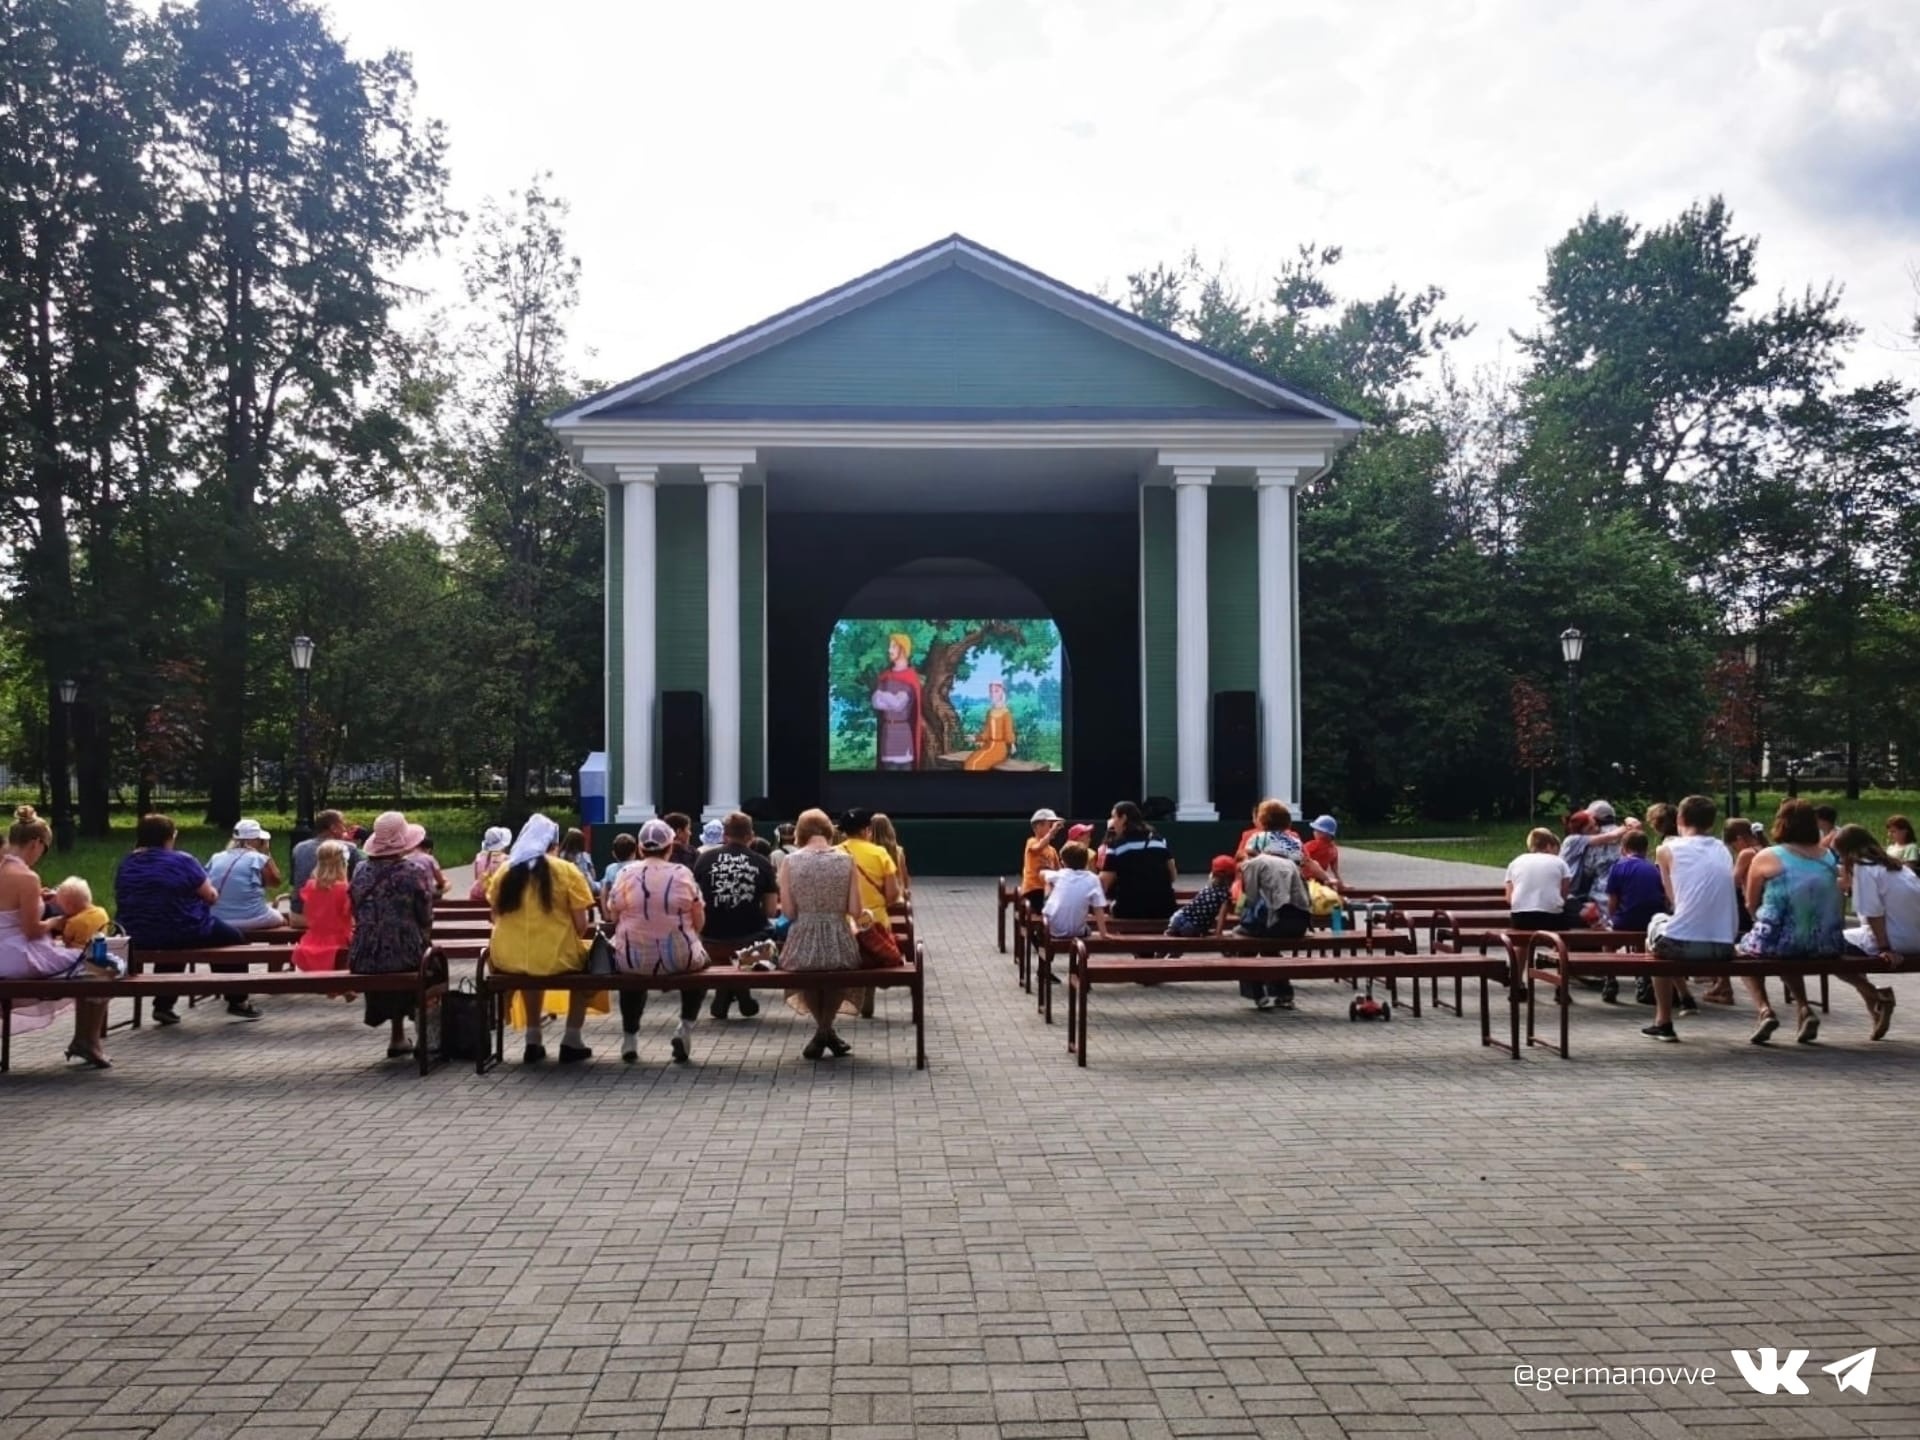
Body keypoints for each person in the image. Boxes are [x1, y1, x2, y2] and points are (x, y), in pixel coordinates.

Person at [115, 811, 257, 1023]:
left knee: (172, 943)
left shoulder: (127, 863)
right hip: (181, 928)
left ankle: (164, 1005)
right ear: (170, 836)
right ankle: (237, 999)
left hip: (137, 932)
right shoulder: (182, 861)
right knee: (232, 938)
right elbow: (210, 896)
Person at [0, 808, 112, 1067]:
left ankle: (85, 1041)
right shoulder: (26, 877)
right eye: (45, 848)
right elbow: (31, 930)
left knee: (87, 964)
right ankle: (87, 1040)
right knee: (103, 966)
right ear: (36, 843)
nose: (42, 854)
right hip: (18, 955)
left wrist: (38, 898)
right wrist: (54, 921)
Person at [488, 813, 600, 1064]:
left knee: (530, 974)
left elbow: (494, 916)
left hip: (507, 956)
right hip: (555, 956)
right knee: (588, 967)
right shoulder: (566, 870)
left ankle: (533, 1038)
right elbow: (581, 925)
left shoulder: (505, 870)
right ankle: (572, 1039)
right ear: (553, 845)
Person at [1735, 799, 1843, 1046]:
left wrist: (1758, 920)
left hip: (1786, 941)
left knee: (1746, 952)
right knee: (1786, 950)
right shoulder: (1827, 856)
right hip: (1826, 942)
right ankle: (1804, 1009)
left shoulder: (1768, 855)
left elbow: (1750, 903)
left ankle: (1764, 1010)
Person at [606, 819, 708, 1064]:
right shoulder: (683, 874)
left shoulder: (625, 874)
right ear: (670, 848)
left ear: (640, 848)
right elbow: (699, 921)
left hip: (632, 958)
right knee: (702, 966)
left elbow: (612, 913)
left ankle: (630, 1038)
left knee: (632, 971)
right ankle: (684, 1027)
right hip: (680, 957)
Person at [1641, 795, 1739, 1043]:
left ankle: (1663, 1020)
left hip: (1682, 945)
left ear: (1680, 819)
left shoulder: (1666, 850)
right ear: (1711, 824)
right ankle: (1684, 999)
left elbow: (1673, 899)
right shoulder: (1723, 849)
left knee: (1655, 926)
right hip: (1725, 946)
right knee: (1667, 931)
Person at [346, 812, 435, 1060]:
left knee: (398, 968)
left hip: (364, 953)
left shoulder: (360, 869)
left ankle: (397, 1037)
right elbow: (425, 914)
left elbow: (355, 907)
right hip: (404, 951)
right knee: (433, 967)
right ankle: (426, 1036)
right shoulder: (412, 870)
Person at [777, 808, 864, 1060]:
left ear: (800, 832)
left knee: (810, 977)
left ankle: (822, 1032)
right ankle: (826, 1031)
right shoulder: (846, 860)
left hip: (802, 941)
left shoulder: (790, 862)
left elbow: (790, 912)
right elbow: (855, 910)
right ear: (828, 830)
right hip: (839, 938)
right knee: (836, 977)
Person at [694, 811, 776, 1021]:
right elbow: (769, 910)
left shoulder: (704, 860)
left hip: (710, 937)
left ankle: (726, 993)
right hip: (751, 941)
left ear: (724, 835)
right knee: (766, 931)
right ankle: (741, 994)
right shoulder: (762, 863)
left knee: (725, 945)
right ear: (751, 835)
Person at [1832, 825, 1913, 1040]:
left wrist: (1885, 948)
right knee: (1852, 948)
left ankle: (1875, 994)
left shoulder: (1864, 868)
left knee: (1828, 948)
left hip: (1895, 939)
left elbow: (1873, 913)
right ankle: (1874, 1012)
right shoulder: (1897, 867)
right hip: (1915, 936)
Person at [1236, 848, 1312, 1010]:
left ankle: (1258, 995)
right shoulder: (1289, 863)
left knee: (1243, 947)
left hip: (1277, 923)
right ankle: (1284, 994)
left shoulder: (1252, 864)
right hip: (1300, 924)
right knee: (1269, 949)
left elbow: (1251, 898)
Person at [1099, 801, 1177, 921]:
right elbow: (1173, 876)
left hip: (1128, 910)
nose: (1111, 821)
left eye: (1113, 816)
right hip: (1165, 909)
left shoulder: (1116, 845)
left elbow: (1104, 883)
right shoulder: (1159, 841)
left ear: (1123, 818)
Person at [208, 819, 284, 932]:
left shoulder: (216, 858)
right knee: (281, 919)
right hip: (253, 918)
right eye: (261, 840)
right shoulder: (258, 858)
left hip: (219, 919)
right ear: (255, 841)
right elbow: (276, 882)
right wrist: (267, 854)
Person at [293, 840, 355, 973]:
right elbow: (348, 915)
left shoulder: (310, 886)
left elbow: (306, 912)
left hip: (312, 940)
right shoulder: (345, 889)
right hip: (339, 941)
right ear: (343, 864)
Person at [290, 811, 361, 923]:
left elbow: (295, 882)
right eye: (343, 825)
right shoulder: (348, 849)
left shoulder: (299, 848)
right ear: (333, 828)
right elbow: (359, 883)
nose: (345, 829)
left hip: (300, 914)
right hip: (333, 916)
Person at [871, 632, 925, 770]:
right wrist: (890, 697)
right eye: (890, 646)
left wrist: (885, 695)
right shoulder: (885, 676)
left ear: (903, 649)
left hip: (903, 735)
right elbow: (876, 702)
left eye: (893, 646)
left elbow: (898, 705)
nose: (889, 650)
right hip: (888, 735)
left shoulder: (911, 677)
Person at [1505, 828, 1572, 930]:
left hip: (1520, 916)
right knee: (1564, 936)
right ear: (1549, 846)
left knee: (1520, 941)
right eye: (1556, 850)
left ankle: (1520, 946)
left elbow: (1509, 898)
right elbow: (1564, 894)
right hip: (1551, 916)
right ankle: (1559, 946)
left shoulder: (1515, 862)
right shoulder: (1559, 862)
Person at [1042, 841, 1109, 940]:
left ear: (1064, 862)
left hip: (1053, 929)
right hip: (1078, 931)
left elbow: (1042, 873)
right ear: (1086, 861)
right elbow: (1098, 908)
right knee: (1088, 929)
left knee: (1048, 883)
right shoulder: (1093, 879)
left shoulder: (1060, 874)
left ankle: (1046, 914)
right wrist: (1104, 933)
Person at [1604, 830, 1666, 933]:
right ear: (1646, 849)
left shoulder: (1618, 866)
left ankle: (1609, 949)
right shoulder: (1654, 868)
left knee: (1606, 933)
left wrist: (1611, 918)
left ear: (1624, 849)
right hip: (1652, 921)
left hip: (1625, 920)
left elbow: (1612, 899)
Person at [1167, 857, 1236, 937]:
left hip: (1177, 918)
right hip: (1191, 926)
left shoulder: (1208, 887)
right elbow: (1222, 916)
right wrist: (1218, 932)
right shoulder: (1225, 894)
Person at [962, 679, 1016, 770]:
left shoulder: (1006, 713)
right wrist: (975, 738)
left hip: (999, 748)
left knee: (976, 764)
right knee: (971, 761)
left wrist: (1012, 744)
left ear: (1002, 693)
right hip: (987, 745)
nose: (993, 694)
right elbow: (986, 733)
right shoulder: (990, 712)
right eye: (991, 691)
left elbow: (1008, 733)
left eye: (996, 691)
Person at [1019, 808, 1061, 915]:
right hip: (1034, 889)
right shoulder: (1032, 842)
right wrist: (1051, 832)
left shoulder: (1052, 850)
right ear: (1038, 827)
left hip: (1049, 890)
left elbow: (1059, 870)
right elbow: (1038, 847)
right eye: (1050, 825)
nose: (1053, 829)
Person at [871, 813, 911, 897]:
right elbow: (904, 876)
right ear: (889, 829)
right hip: (895, 897)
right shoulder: (898, 851)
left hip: (873, 896)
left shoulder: (866, 851)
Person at [468, 826, 512, 902]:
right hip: (497, 899)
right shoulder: (506, 860)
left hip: (477, 897)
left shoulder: (479, 857)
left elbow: (477, 879)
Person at [410, 832, 451, 898]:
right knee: (447, 884)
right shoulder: (430, 859)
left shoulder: (405, 857)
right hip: (426, 894)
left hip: (409, 893)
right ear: (429, 849)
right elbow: (440, 880)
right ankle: (437, 900)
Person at [1303, 816, 1342, 885]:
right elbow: (1335, 870)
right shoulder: (1333, 849)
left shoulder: (1313, 845)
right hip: (1321, 881)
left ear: (1323, 833)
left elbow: (1299, 856)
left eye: (1315, 830)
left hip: (1305, 880)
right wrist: (1341, 884)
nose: (1313, 832)